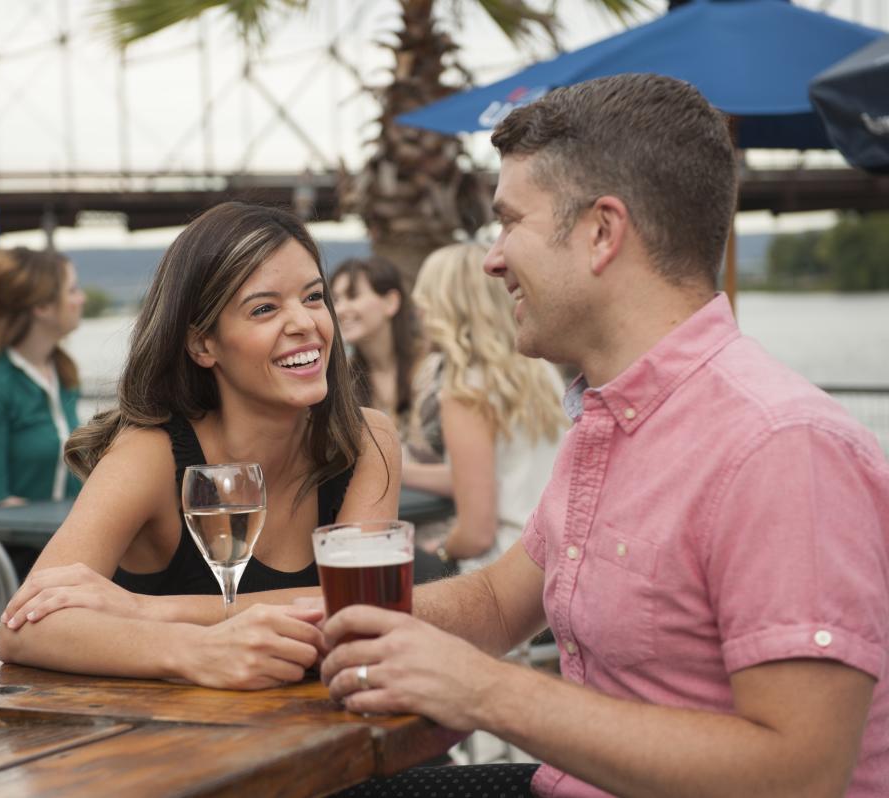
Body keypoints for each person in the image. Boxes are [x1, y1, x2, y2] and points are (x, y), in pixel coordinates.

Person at [320, 73, 889, 797]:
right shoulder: (615, 416)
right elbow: (497, 605)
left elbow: (798, 774)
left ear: (601, 232)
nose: (493, 257)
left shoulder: (781, 445)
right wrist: (293, 617)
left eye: (510, 222)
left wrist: (486, 693)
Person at [0, 202, 401, 691]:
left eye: (314, 297)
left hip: (342, 747)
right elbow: (25, 628)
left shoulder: (367, 440)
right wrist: (194, 651)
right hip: (173, 755)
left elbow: (361, 612)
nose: (304, 322)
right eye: (264, 308)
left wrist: (148, 612)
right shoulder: (151, 454)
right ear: (203, 345)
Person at [403, 242, 565, 573]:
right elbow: (490, 475)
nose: (418, 313)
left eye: (423, 303)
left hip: (501, 573)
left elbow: (476, 534)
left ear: (444, 307)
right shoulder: (541, 372)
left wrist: (441, 551)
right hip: (554, 560)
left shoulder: (465, 389)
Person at [0, 246, 85, 577]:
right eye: (72, 290)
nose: (81, 299)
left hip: (61, 549)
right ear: (42, 307)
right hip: (9, 562)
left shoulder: (62, 373)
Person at [330, 256, 418, 429]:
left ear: (391, 302)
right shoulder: (342, 382)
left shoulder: (430, 370)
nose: (339, 309)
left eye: (353, 296)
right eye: (336, 300)